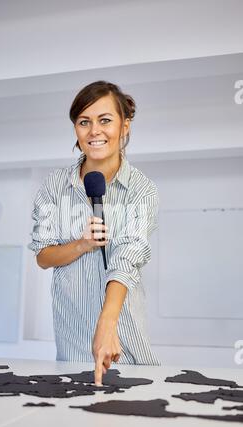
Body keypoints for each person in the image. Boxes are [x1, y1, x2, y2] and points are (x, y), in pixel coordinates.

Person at [28, 81, 160, 386]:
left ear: (124, 126)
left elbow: (127, 260)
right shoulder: (53, 186)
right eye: (84, 122)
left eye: (105, 120)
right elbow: (44, 257)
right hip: (72, 345)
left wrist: (107, 322)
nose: (94, 131)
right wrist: (82, 244)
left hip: (123, 340)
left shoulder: (142, 190)